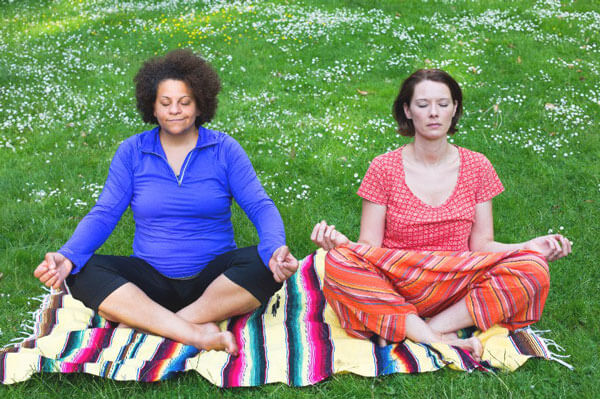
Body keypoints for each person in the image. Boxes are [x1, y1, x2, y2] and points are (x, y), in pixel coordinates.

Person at [34, 49, 298, 356]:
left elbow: (260, 206)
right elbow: (105, 213)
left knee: (263, 266)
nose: (175, 110)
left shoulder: (225, 149)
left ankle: (157, 325)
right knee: (82, 270)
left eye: (185, 102)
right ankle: (194, 333)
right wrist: (67, 256)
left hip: (214, 284)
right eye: (166, 103)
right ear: (152, 107)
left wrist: (274, 249)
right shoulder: (132, 152)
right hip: (150, 283)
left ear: (200, 104)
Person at [311, 69, 571, 360]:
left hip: (459, 285)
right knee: (337, 262)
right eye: (422, 105)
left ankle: (424, 330)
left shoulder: (477, 166)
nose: (433, 113)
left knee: (534, 267)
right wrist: (344, 245)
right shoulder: (383, 167)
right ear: (407, 110)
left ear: (455, 108)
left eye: (443, 104)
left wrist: (528, 248)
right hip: (397, 281)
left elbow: (482, 245)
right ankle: (434, 338)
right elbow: (370, 248)